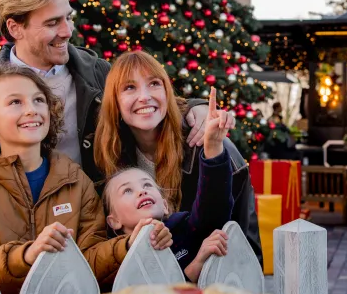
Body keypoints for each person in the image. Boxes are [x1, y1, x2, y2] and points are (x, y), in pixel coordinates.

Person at [0, 0, 218, 222]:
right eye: (52, 23)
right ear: (15, 28)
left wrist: (197, 107)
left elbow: (145, 100)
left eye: (68, 17)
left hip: (98, 227)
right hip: (24, 233)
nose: (67, 31)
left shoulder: (96, 72)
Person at [0, 62, 172, 294]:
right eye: (15, 102)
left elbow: (88, 260)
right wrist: (28, 255)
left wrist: (127, 244)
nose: (31, 110)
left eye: (39, 100)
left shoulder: (76, 180)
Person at [94, 51, 263, 264]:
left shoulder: (206, 145)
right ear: (115, 102)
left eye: (154, 84)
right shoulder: (111, 152)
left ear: (167, 92)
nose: (144, 96)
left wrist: (213, 149)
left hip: (222, 271)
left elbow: (219, 228)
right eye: (129, 87)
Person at [103, 88, 234, 282]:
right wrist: (194, 268)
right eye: (128, 190)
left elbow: (212, 206)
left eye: (147, 185)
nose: (141, 192)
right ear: (114, 221)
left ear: (164, 205)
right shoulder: (117, 260)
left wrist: (213, 147)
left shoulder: (184, 230)